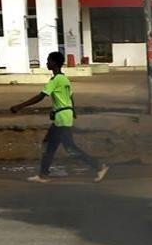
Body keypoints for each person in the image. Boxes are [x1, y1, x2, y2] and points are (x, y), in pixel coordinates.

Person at [10, 51, 109, 184]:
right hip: (62, 115)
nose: (47, 63)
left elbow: (41, 96)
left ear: (55, 63)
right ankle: (43, 175)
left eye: (49, 61)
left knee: (69, 148)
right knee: (48, 145)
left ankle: (99, 166)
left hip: (62, 117)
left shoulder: (56, 80)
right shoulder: (64, 79)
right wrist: (69, 111)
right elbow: (70, 97)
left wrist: (19, 106)